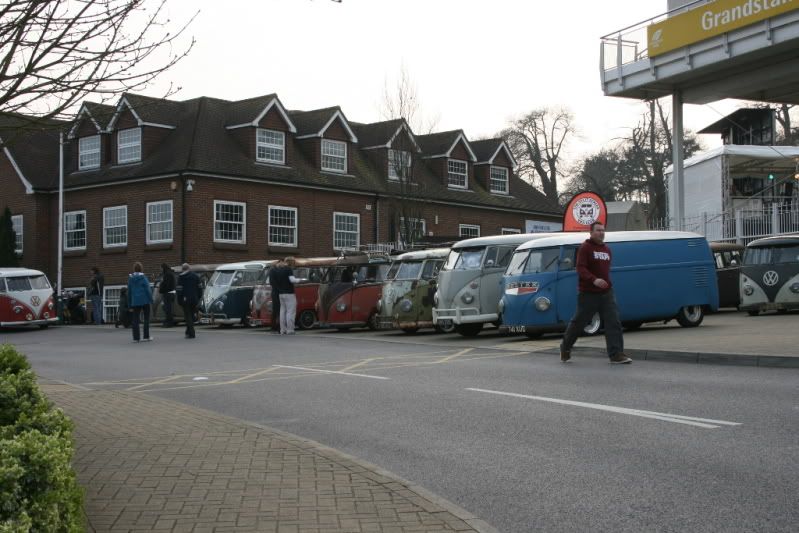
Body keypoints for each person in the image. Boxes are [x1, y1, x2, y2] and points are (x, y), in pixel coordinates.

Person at [560, 222, 632, 364]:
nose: (601, 233)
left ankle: (616, 354)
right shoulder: (585, 248)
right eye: (598, 230)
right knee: (579, 322)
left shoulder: (607, 250)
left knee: (614, 322)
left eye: (603, 230)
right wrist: (594, 280)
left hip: (606, 292)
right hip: (588, 293)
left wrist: (603, 282)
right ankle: (565, 347)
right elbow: (580, 268)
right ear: (591, 232)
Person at [271, 257, 306, 335]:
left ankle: (282, 329)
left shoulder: (278, 270)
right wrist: (302, 280)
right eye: (294, 263)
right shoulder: (288, 269)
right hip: (289, 293)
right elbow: (292, 280)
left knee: (282, 311)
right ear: (291, 263)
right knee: (290, 311)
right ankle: (290, 330)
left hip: (280, 294)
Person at [127, 262, 153, 342]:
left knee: (135, 320)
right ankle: (146, 336)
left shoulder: (131, 279)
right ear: (141, 268)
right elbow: (148, 289)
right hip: (145, 300)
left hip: (135, 301)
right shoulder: (143, 277)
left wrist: (129, 304)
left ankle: (136, 338)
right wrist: (151, 299)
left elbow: (129, 292)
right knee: (146, 319)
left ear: (134, 269)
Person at [177, 263, 201, 339]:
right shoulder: (196, 276)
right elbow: (200, 288)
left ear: (183, 269)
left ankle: (191, 333)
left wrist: (179, 300)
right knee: (191, 315)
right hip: (194, 299)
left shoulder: (181, 277)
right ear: (189, 269)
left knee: (188, 316)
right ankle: (188, 332)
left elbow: (179, 290)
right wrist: (198, 297)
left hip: (185, 299)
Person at [159, 263, 176, 327]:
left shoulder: (167, 274)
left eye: (160, 268)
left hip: (168, 293)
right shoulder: (169, 273)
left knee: (167, 308)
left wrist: (161, 290)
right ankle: (168, 321)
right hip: (170, 293)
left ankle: (169, 322)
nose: (160, 269)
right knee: (167, 308)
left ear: (163, 268)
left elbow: (166, 285)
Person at [267, 264, 281, 334]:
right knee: (278, 310)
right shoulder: (274, 270)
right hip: (277, 292)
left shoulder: (271, 271)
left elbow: (271, 282)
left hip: (274, 292)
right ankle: (278, 326)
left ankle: (274, 326)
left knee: (275, 310)